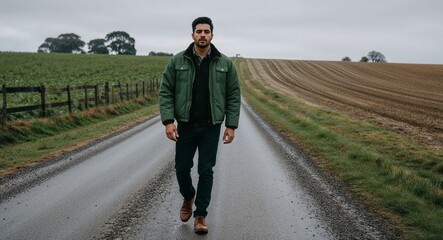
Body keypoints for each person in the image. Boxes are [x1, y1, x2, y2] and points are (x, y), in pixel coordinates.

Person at [159, 16, 241, 234]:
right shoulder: (178, 61)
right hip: (185, 125)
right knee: (181, 168)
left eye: (206, 31)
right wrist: (168, 121)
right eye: (199, 31)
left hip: (211, 127)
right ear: (193, 34)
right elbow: (166, 91)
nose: (202, 35)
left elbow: (233, 95)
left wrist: (231, 125)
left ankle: (200, 215)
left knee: (206, 170)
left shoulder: (224, 63)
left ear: (212, 35)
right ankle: (188, 196)